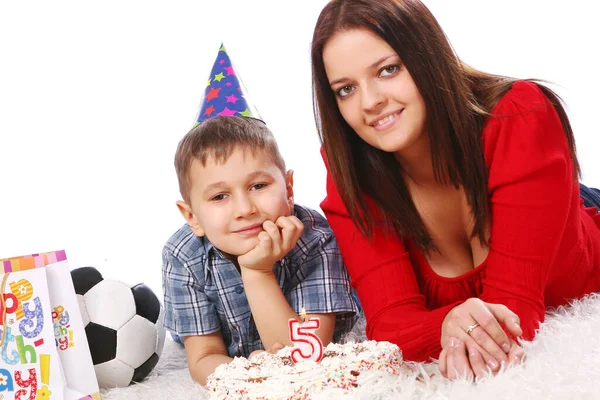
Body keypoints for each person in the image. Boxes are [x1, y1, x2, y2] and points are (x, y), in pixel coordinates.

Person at [310, 0, 600, 381]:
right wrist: (446, 322)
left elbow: (516, 312)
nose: (370, 102)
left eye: (388, 69)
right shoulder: (350, 168)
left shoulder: (521, 114)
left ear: (426, 56)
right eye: (345, 89)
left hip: (566, 200)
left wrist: (445, 326)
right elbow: (388, 329)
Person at [162, 45, 359, 385]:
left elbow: (305, 356)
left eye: (258, 185)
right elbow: (204, 356)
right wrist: (248, 379)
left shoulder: (316, 240)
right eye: (220, 196)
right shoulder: (183, 255)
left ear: (289, 186)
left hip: (304, 346)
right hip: (237, 356)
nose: (245, 209)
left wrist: (256, 271)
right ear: (191, 216)